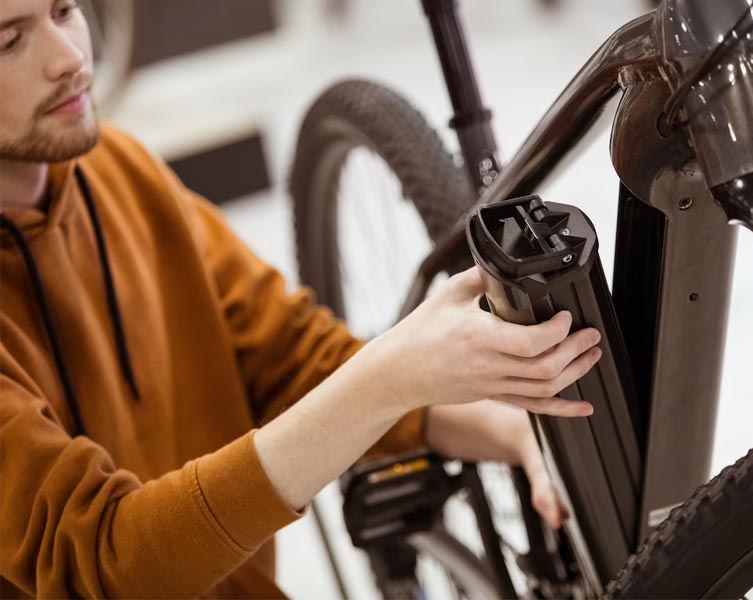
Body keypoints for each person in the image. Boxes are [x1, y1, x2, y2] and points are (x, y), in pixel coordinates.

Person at [0, 0, 602, 597]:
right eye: (9, 41)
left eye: (63, 10)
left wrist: (511, 433)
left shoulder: (119, 170)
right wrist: (389, 378)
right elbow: (99, 563)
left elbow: (290, 351)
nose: (71, 58)